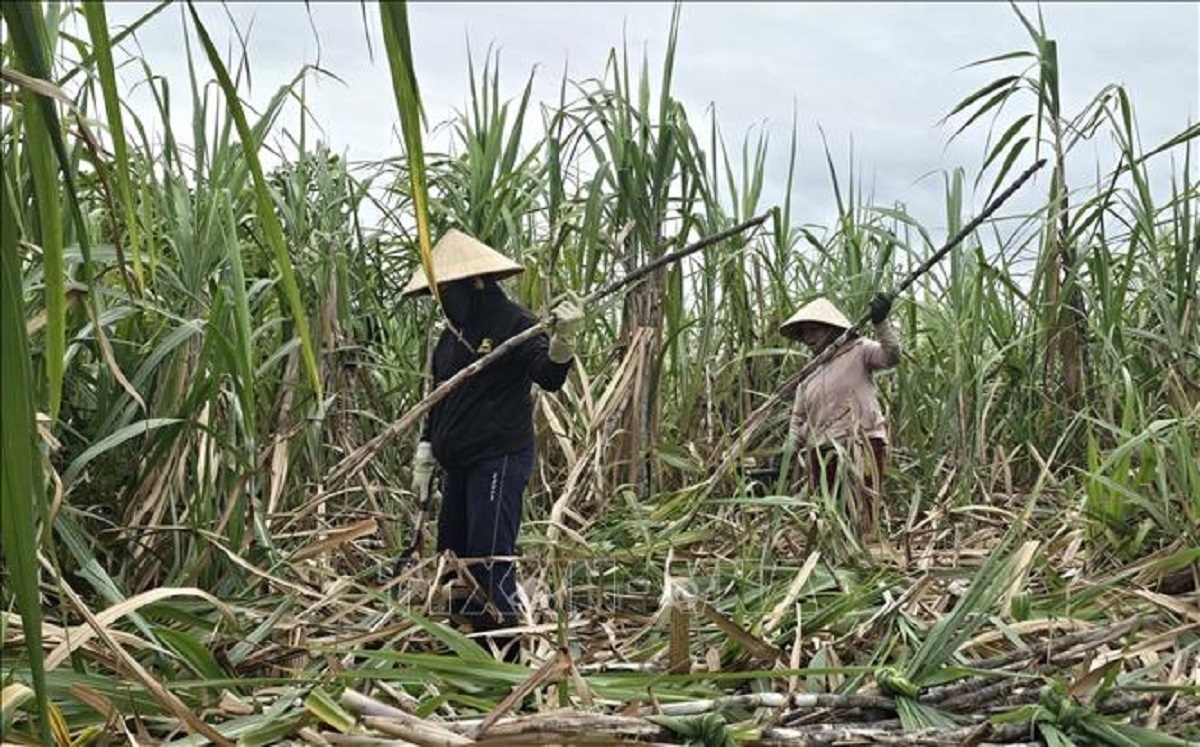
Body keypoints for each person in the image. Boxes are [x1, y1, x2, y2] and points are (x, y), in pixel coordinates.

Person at [403, 229, 583, 658]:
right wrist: (426, 452)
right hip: (457, 465)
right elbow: (439, 399)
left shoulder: (513, 324)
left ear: (476, 283)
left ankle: (505, 653)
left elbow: (549, 376)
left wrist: (563, 342)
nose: (441, 301)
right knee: (453, 554)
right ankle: (464, 645)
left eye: (445, 291)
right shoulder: (449, 338)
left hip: (498, 459)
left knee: (489, 556)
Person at [779, 293, 900, 537]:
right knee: (828, 513)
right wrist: (788, 452)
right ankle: (832, 564)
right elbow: (798, 419)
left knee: (863, 508)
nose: (809, 337)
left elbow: (891, 356)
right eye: (804, 332)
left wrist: (881, 322)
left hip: (861, 442)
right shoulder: (809, 374)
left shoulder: (860, 351)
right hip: (822, 451)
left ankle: (864, 558)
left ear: (832, 329)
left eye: (815, 329)